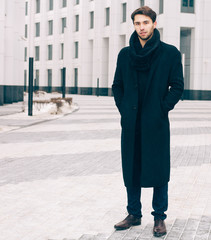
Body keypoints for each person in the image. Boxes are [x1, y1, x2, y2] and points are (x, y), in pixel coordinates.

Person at [112, 6, 184, 238]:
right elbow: (117, 86)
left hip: (156, 122)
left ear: (154, 23)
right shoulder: (125, 54)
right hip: (131, 122)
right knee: (131, 165)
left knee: (158, 168)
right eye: (137, 23)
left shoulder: (170, 53)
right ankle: (134, 213)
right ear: (133, 25)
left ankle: (159, 216)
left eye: (145, 23)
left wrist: (162, 108)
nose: (141, 27)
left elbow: (177, 86)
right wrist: (124, 110)